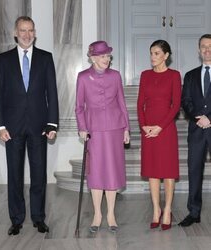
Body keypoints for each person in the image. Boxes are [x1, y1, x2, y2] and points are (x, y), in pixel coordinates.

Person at [0, 16, 59, 235]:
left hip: (39, 126)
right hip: (12, 128)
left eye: (30, 30)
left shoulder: (46, 58)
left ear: (35, 32)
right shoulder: (3, 59)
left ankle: (38, 218)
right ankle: (16, 219)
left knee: (39, 174)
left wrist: (52, 124)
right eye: (23, 30)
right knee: (15, 175)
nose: (27, 34)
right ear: (15, 32)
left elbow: (52, 93)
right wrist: (0, 126)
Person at [75, 41, 130, 233]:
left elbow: (122, 103)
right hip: (94, 130)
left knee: (113, 171)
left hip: (115, 129)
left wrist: (126, 128)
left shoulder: (115, 76)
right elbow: (79, 106)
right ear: (92, 57)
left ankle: (111, 214)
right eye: (103, 56)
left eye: (108, 56)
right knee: (96, 171)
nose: (106, 59)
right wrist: (82, 127)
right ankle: (97, 214)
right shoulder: (82, 77)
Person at [137, 40, 181, 230]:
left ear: (166, 55)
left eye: (156, 53)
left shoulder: (174, 75)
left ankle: (168, 209)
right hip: (148, 131)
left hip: (166, 130)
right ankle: (156, 210)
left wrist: (160, 127)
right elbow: (140, 104)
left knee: (168, 173)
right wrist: (144, 126)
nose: (153, 57)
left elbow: (176, 106)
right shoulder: (145, 75)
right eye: (151, 53)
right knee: (153, 172)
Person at [179, 34, 211, 227]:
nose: (207, 50)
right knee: (194, 171)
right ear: (199, 50)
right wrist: (197, 117)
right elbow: (185, 101)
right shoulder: (190, 75)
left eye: (210, 46)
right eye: (203, 46)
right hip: (197, 130)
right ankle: (194, 212)